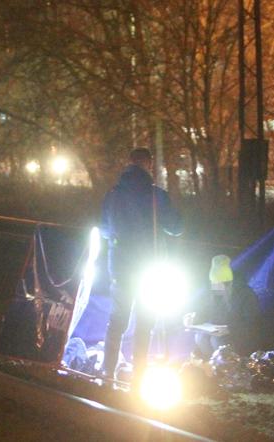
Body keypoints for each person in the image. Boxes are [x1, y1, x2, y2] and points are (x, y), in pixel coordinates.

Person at [99, 147, 183, 387]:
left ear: (128, 164)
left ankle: (107, 375)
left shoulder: (113, 195)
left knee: (117, 320)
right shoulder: (157, 195)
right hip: (150, 266)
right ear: (149, 164)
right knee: (145, 323)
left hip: (120, 267)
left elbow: (105, 229)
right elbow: (176, 227)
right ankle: (138, 379)